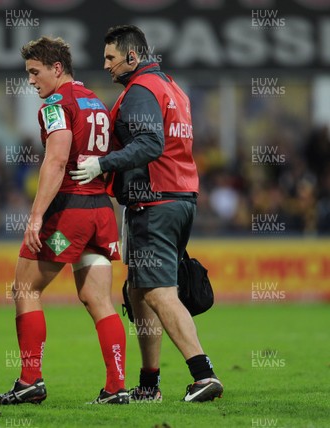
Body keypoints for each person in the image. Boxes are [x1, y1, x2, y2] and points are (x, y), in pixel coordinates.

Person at [71, 25, 223, 402]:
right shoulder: (172, 87)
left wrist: (102, 163)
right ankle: (149, 385)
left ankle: (203, 374)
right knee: (138, 292)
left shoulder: (140, 91)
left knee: (157, 291)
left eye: (110, 57)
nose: (105, 65)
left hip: (154, 201)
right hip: (180, 196)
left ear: (132, 57)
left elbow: (151, 143)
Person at [0, 36, 128, 405]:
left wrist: (35, 216)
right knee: (98, 298)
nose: (31, 81)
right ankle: (117, 387)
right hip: (101, 210)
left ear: (56, 69)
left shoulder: (57, 103)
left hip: (70, 208)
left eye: (35, 72)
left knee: (25, 289)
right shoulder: (95, 100)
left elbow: (55, 160)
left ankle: (30, 380)